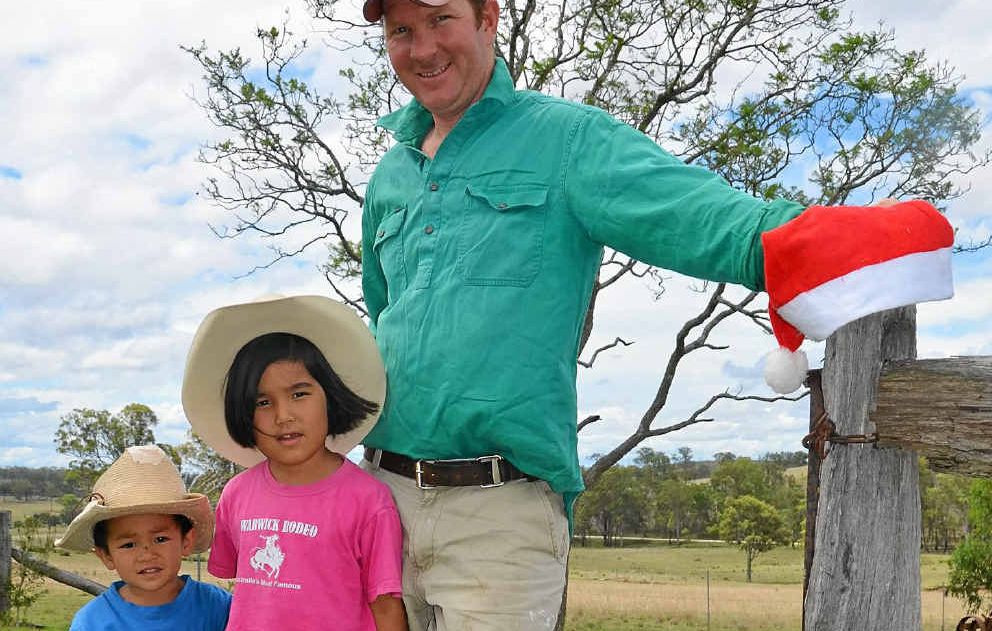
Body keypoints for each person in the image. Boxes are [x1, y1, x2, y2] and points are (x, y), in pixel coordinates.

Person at [356, 0, 955, 629]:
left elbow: (691, 213)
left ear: (488, 19)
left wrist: (807, 240)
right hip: (375, 504)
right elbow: (382, 319)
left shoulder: (567, 140)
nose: (422, 48)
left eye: (440, 19)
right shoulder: (391, 174)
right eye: (402, 30)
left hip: (499, 515)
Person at [180, 294, 406, 631]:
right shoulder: (236, 495)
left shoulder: (369, 501)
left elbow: (385, 604)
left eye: (299, 394)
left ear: (331, 397)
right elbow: (239, 586)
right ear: (242, 413)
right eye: (262, 402)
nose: (283, 416)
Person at [56, 444, 231, 631]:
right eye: (129, 544)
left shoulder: (219, 607)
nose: (147, 555)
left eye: (160, 539)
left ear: (186, 541)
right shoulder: (91, 622)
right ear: (106, 555)